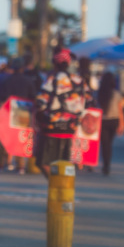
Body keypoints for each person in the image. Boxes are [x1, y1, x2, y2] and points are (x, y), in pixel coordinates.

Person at [34, 47, 90, 178]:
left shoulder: (52, 79)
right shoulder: (79, 81)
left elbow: (41, 101)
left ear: (55, 63)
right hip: (71, 129)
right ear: (69, 63)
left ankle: (56, 184)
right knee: (66, 163)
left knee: (43, 162)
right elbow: (89, 101)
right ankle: (64, 186)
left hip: (51, 128)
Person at [0, 58, 37, 173]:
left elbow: (2, 97)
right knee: (21, 139)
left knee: (9, 138)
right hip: (24, 112)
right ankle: (20, 165)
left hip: (9, 111)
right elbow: (33, 97)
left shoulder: (7, 80)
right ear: (22, 68)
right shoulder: (28, 80)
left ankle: (8, 162)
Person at [97, 72, 124, 176]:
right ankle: (107, 165)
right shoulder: (117, 94)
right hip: (114, 121)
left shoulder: (99, 93)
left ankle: (105, 166)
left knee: (105, 144)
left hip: (102, 121)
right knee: (109, 144)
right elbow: (120, 111)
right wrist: (121, 125)